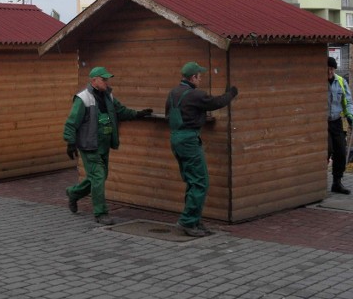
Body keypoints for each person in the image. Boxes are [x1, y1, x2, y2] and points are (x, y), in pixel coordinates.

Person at [64, 66, 153, 225]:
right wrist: (70, 142)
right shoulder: (83, 98)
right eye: (103, 79)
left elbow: (121, 111)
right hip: (89, 146)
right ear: (94, 81)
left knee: (99, 177)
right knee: (98, 177)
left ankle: (74, 193)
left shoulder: (108, 96)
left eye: (107, 79)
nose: (106, 82)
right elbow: (71, 123)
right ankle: (101, 213)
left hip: (103, 146)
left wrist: (138, 114)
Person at [165, 61, 238, 237]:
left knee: (192, 181)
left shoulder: (173, 93)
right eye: (200, 76)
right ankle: (188, 222)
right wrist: (231, 94)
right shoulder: (194, 95)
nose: (201, 79)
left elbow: (169, 113)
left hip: (176, 138)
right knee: (200, 182)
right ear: (193, 77)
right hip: (189, 140)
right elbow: (215, 102)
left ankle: (194, 220)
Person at [327, 56, 353, 195]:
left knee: (341, 152)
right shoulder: (317, 82)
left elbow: (348, 101)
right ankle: (317, 181)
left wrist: (350, 115)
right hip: (322, 123)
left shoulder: (341, 82)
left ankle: (337, 182)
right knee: (327, 149)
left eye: (331, 69)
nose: (329, 71)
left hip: (336, 121)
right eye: (327, 69)